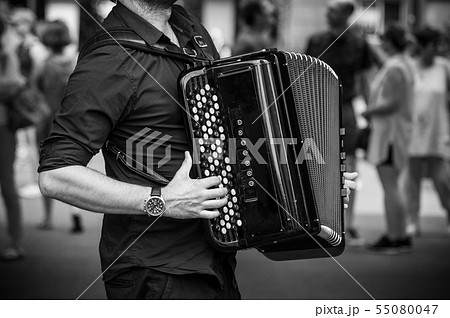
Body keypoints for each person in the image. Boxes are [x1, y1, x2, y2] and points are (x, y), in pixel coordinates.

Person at [38, 0, 357, 299]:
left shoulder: (192, 32)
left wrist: (311, 185)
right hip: (155, 269)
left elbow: (228, 135)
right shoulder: (110, 57)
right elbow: (57, 174)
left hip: (215, 260)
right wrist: (160, 201)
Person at [306, 0, 374, 245]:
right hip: (318, 109)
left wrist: (370, 112)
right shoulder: (315, 40)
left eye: (333, 10)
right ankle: (320, 220)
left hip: (345, 109)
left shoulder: (360, 43)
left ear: (347, 13)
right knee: (316, 161)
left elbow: (365, 80)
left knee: (349, 164)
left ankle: (349, 222)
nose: (328, 13)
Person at [363, 24, 415, 254]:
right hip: (397, 132)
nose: (380, 44)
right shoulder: (405, 64)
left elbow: (392, 103)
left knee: (390, 185)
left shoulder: (395, 67)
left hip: (390, 135)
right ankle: (399, 234)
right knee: (394, 184)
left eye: (384, 40)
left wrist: (368, 112)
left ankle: (395, 236)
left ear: (390, 42)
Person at [35, 20, 81, 232]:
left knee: (46, 167)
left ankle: (47, 217)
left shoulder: (44, 65)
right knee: (72, 167)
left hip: (47, 122)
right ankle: (75, 212)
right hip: (70, 122)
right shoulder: (73, 65)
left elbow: (34, 92)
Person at [405, 26, 450, 236]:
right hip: (413, 132)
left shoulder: (444, 68)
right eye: (435, 45)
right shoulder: (410, 67)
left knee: (442, 179)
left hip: (439, 132)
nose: (439, 49)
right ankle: (413, 220)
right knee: (411, 180)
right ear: (424, 47)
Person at [10, 7, 48, 199]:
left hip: (30, 98)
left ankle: (36, 181)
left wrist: (30, 84)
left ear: (27, 23)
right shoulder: (24, 43)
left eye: (17, 23)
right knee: (26, 141)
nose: (15, 27)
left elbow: (40, 64)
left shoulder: (33, 44)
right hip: (23, 97)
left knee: (32, 141)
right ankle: (31, 181)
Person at [0, 15, 27, 261]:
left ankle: (16, 241)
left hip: (4, 126)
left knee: (7, 184)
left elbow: (16, 83)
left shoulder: (6, 54)